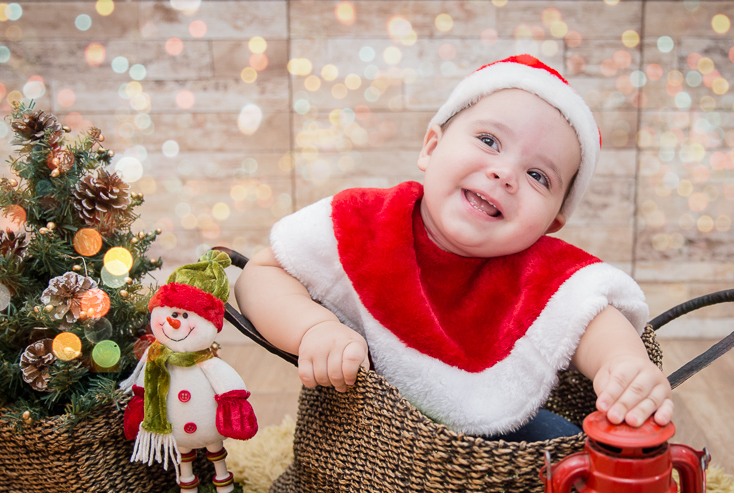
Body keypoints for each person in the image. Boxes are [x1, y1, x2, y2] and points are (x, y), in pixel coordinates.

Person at [235, 55, 672, 441]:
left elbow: (593, 317)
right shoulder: (364, 221)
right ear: (432, 146)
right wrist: (313, 329)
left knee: (561, 442)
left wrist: (623, 363)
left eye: (539, 176)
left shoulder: (540, 271)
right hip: (361, 422)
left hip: (482, 443)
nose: (504, 173)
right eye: (489, 141)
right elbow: (260, 275)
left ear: (554, 221)